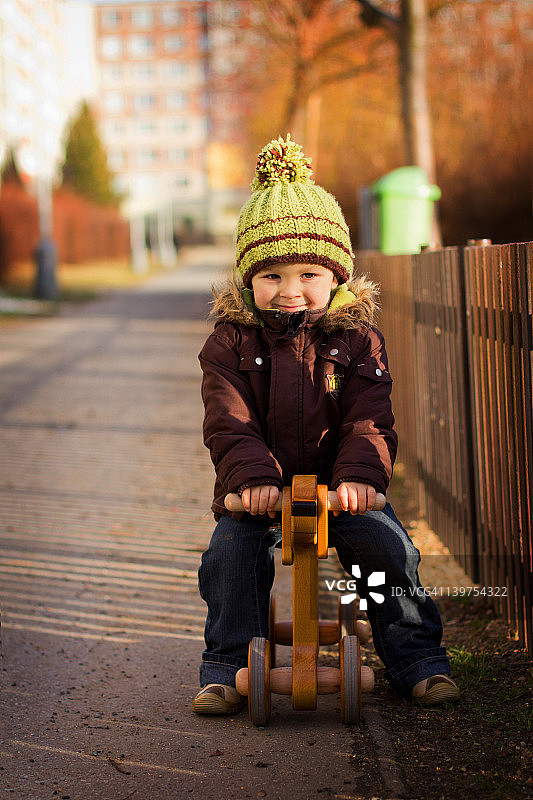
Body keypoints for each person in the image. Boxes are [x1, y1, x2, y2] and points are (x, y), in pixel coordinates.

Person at [193, 135, 459, 715]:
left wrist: (360, 477)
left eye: (309, 273)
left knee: (390, 550)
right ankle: (226, 667)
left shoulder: (358, 339)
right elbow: (228, 421)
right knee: (228, 558)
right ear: (247, 281)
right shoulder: (229, 343)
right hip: (257, 494)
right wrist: (251, 479)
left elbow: (369, 418)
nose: (290, 292)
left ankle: (417, 659)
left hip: (341, 491)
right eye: (271, 276)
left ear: (336, 276)